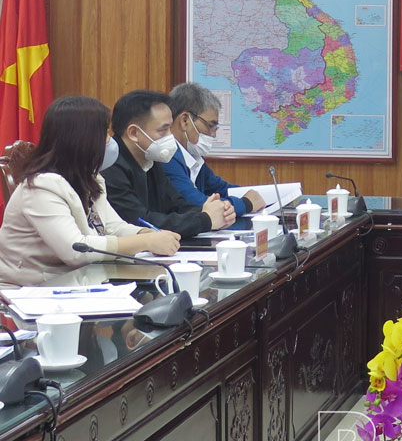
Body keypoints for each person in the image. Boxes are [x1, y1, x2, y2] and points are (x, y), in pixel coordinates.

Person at [0, 96, 180, 287]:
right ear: (82, 139)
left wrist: (146, 233)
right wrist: (146, 242)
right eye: (104, 133)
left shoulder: (90, 178)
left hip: (77, 282)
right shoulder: (40, 186)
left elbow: (111, 227)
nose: (110, 141)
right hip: (27, 291)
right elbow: (76, 250)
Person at [101, 90, 236, 238]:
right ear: (134, 133)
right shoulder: (109, 167)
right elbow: (141, 221)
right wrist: (205, 220)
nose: (170, 137)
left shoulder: (151, 159)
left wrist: (215, 212)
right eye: (163, 130)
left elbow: (176, 204)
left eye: (170, 129)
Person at [162, 82, 265, 216]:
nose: (213, 134)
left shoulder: (193, 156)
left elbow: (221, 189)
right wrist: (246, 203)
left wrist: (259, 195)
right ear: (185, 120)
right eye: (210, 126)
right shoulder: (166, 157)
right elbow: (196, 203)